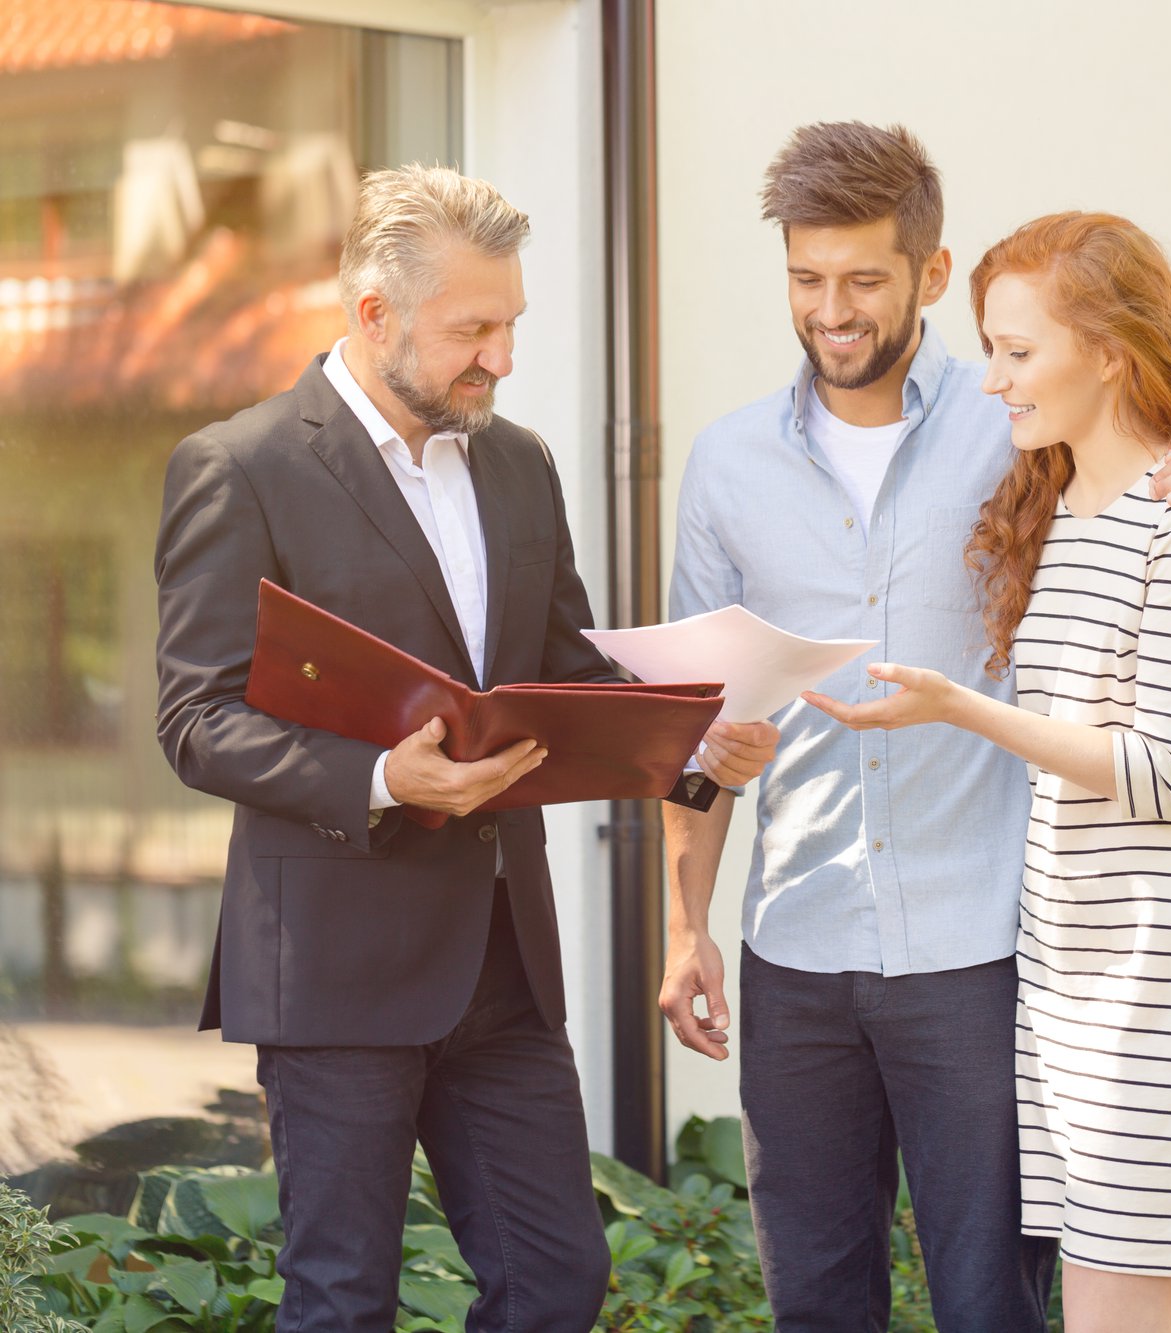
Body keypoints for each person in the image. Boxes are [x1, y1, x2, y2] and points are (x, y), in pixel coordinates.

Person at [659, 122, 1171, 1331]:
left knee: (991, 1304)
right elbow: (694, 727)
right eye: (805, 279)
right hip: (794, 947)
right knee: (816, 1304)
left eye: (861, 280)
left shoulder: (1014, 426)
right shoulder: (725, 464)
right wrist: (682, 920)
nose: (831, 310)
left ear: (928, 274)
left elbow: (1157, 492)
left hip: (986, 953)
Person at [153, 164, 775, 1333]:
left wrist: (696, 747)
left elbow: (563, 684)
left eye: (510, 325)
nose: (499, 355)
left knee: (556, 1279)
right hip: (333, 968)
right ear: (373, 314)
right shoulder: (241, 468)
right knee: (341, 1301)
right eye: (472, 330)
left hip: (502, 963)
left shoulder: (518, 462)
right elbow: (195, 717)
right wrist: (385, 778)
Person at [807, 211, 1171, 1333]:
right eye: (988, 348)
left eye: (1017, 352)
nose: (991, 381)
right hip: (1076, 988)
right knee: (1167, 1306)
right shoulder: (1065, 512)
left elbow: (1162, 770)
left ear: (1110, 352)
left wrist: (955, 709)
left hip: (1164, 993)